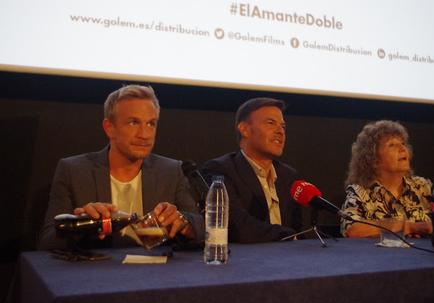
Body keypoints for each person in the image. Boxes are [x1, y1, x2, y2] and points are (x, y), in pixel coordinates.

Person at [39, 84, 204, 250]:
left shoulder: (170, 171)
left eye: (151, 124)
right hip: (96, 272)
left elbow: (201, 229)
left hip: (155, 273)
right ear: (109, 128)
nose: (144, 135)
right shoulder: (73, 171)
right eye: (133, 123)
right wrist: (82, 224)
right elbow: (47, 242)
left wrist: (183, 223)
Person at [201, 97, 304, 243]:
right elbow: (237, 226)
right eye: (271, 123)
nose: (280, 131)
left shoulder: (289, 176)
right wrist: (287, 236)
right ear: (245, 130)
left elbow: (299, 230)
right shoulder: (221, 170)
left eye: (283, 126)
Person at [340, 120, 434, 238]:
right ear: (373, 158)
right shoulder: (360, 193)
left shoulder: (422, 186)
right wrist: (410, 227)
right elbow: (352, 229)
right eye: (392, 145)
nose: (402, 148)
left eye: (403, 143)